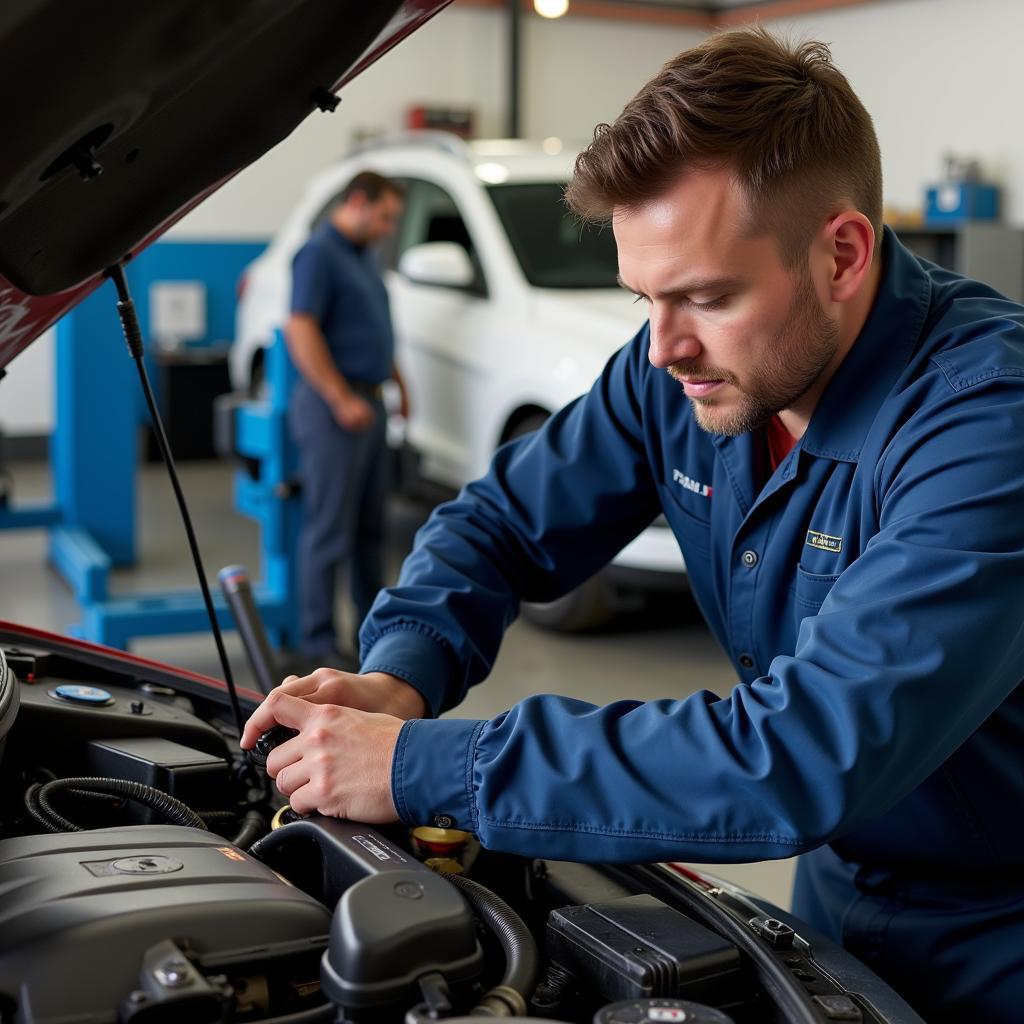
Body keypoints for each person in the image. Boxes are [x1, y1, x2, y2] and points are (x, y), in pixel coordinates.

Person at [243, 28, 1024, 1022]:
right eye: (644, 297)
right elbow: (495, 523)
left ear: (841, 253)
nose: (662, 347)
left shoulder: (986, 422)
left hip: (999, 928)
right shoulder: (680, 372)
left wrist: (420, 765)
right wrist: (403, 672)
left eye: (706, 296)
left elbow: (803, 749)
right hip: (836, 893)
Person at [285, 171, 408, 663]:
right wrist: (339, 398)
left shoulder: (362, 257)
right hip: (335, 409)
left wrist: (399, 382)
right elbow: (300, 328)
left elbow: (375, 328)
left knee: (370, 530)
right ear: (358, 201)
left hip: (369, 403)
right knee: (329, 529)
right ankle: (315, 644)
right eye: (384, 217)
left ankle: (367, 635)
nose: (387, 229)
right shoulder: (318, 254)